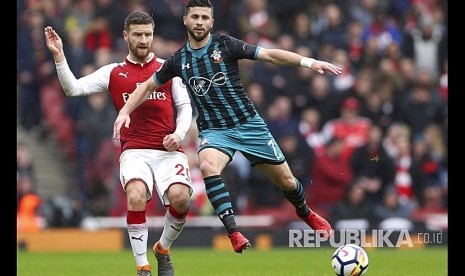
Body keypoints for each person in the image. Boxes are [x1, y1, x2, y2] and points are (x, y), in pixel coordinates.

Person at [113, 0, 342, 254]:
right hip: (214, 131)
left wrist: (308, 62)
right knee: (208, 165)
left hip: (249, 125)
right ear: (185, 21)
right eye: (195, 17)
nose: (199, 22)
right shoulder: (179, 60)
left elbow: (270, 55)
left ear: (211, 22)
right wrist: (124, 111)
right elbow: (145, 87)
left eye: (204, 18)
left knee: (288, 182)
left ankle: (306, 213)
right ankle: (233, 232)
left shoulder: (226, 45)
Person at [45, 11, 194, 276]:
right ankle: (143, 267)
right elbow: (73, 89)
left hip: (168, 149)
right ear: (126, 36)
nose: (144, 40)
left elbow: (184, 108)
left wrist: (180, 135)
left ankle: (162, 249)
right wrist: (59, 56)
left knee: (181, 199)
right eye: (138, 35)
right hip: (135, 151)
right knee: (136, 195)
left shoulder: (168, 67)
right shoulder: (114, 72)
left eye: (148, 34)